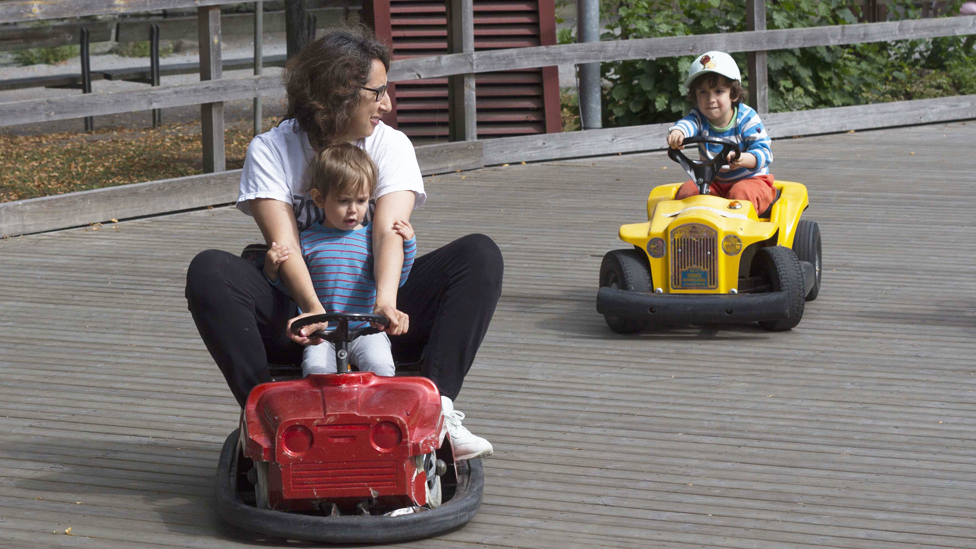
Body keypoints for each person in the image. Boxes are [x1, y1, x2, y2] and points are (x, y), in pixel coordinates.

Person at [184, 27, 501, 461]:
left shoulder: (391, 144)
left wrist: (385, 304)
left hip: (378, 313)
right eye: (378, 92)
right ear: (339, 95)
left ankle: (437, 413)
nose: (387, 104)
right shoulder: (271, 150)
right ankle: (262, 416)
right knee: (210, 270)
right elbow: (285, 243)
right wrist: (313, 309)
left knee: (479, 255)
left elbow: (389, 229)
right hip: (301, 316)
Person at [262, 144, 416, 378]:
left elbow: (400, 278)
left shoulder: (372, 238)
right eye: (344, 201)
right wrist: (272, 271)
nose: (353, 210)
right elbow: (292, 290)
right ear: (319, 199)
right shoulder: (306, 240)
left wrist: (408, 244)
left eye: (362, 200)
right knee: (316, 372)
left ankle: (376, 413)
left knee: (382, 367)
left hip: (367, 331)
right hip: (322, 334)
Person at [666, 51, 776, 215]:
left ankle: (737, 237)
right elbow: (687, 124)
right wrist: (678, 132)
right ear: (695, 95)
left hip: (751, 180)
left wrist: (743, 158)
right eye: (703, 92)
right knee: (687, 193)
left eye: (718, 91)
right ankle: (692, 235)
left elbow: (765, 153)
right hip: (712, 181)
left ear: (734, 93)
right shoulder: (699, 118)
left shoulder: (746, 118)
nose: (710, 99)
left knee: (740, 195)